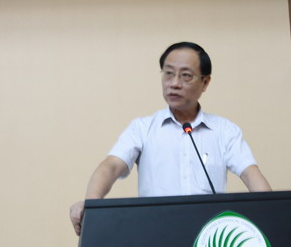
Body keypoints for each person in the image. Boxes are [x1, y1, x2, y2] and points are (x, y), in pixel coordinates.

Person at [70, 42, 271, 235]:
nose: (174, 83)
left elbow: (250, 174)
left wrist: (274, 211)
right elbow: (111, 167)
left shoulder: (225, 131)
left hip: (209, 238)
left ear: (205, 82)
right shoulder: (142, 128)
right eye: (168, 73)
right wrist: (91, 204)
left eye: (186, 75)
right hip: (156, 233)